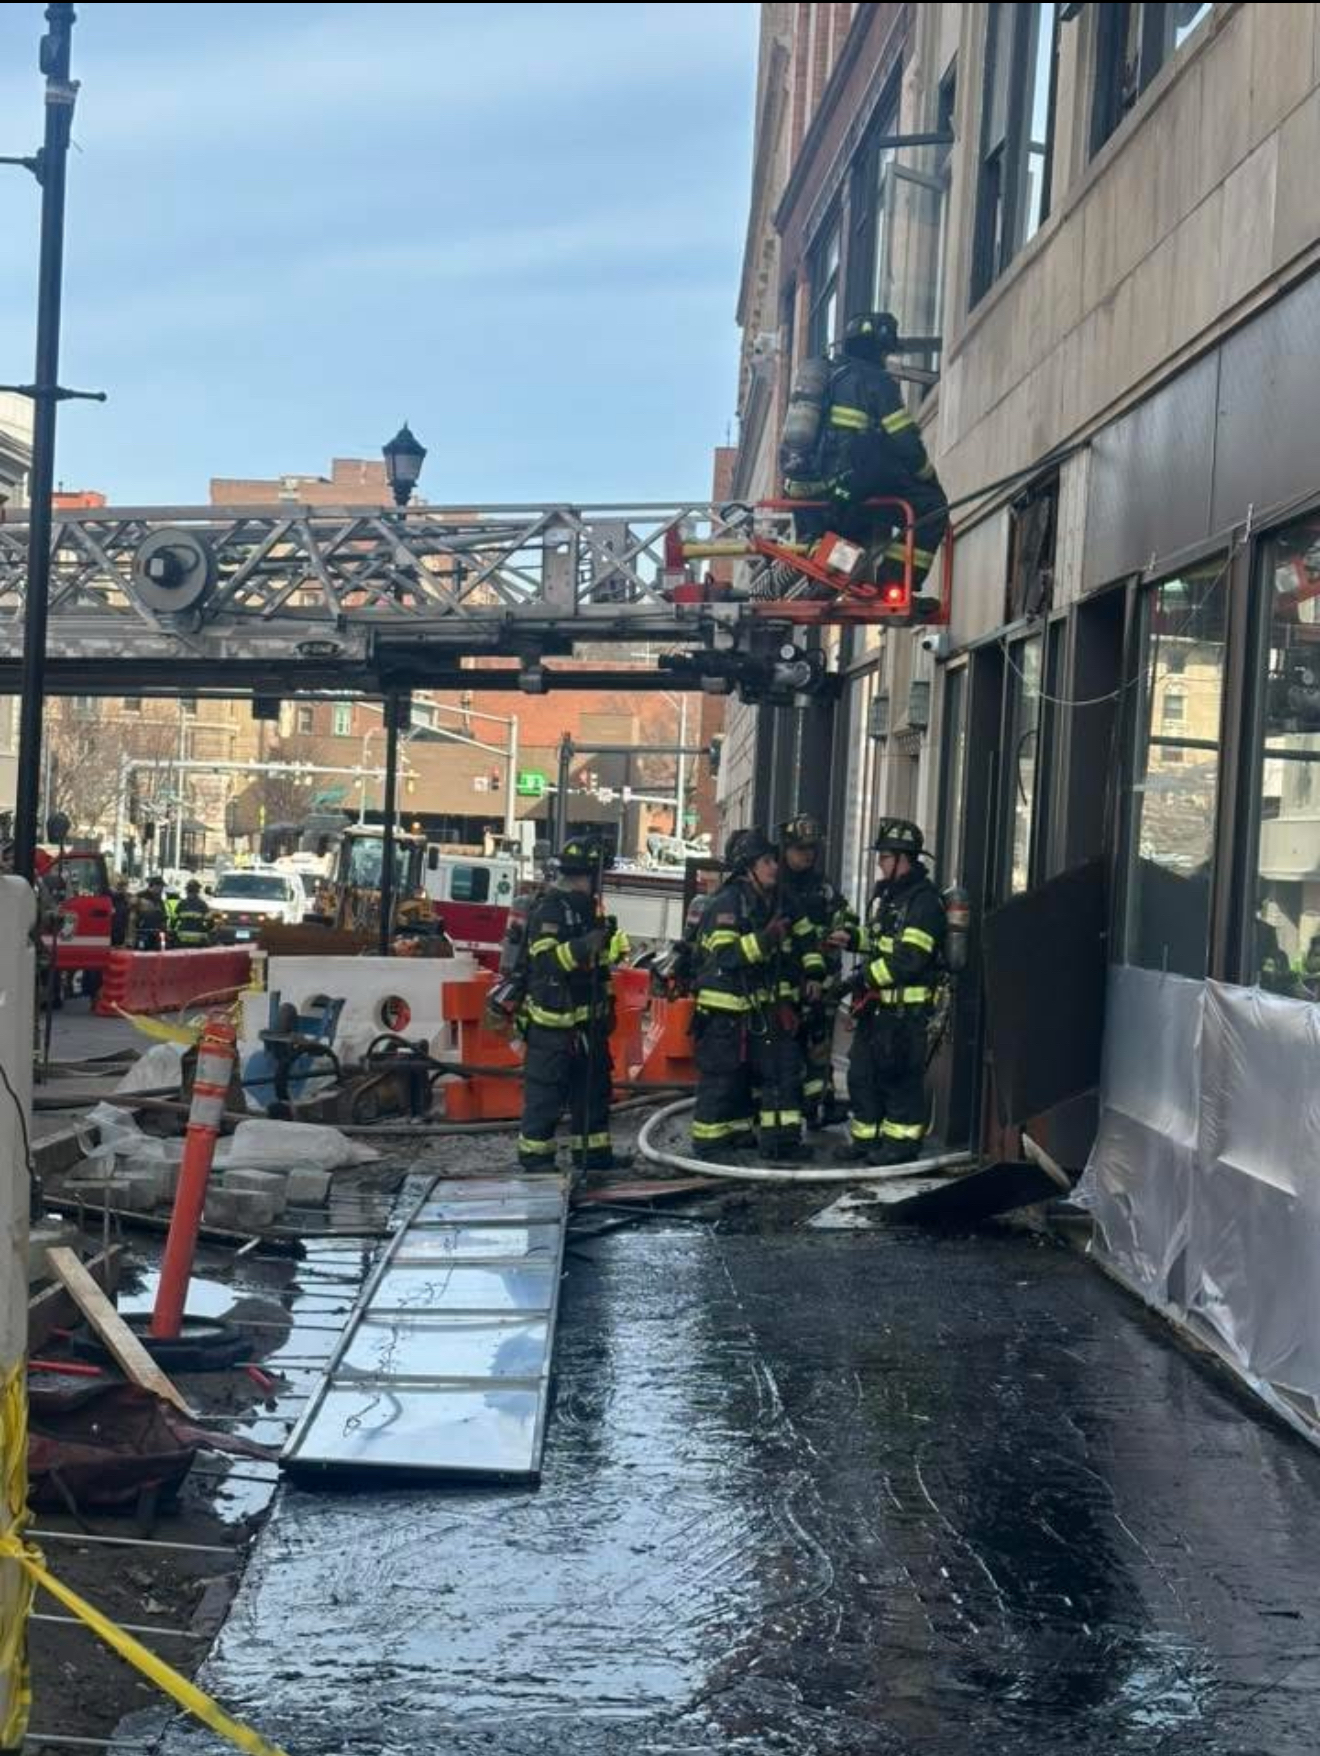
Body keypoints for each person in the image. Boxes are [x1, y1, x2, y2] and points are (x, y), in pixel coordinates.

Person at [780, 311, 948, 599]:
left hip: (803, 492)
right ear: (878, 349)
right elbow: (905, 441)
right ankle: (894, 583)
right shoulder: (876, 382)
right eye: (885, 352)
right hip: (846, 485)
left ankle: (830, 576)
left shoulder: (825, 379)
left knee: (845, 526)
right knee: (932, 509)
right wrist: (927, 477)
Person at [690, 828, 808, 1164]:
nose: (775, 867)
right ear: (748, 868)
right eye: (767, 861)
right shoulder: (728, 903)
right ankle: (709, 1145)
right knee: (721, 1078)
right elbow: (726, 955)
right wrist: (766, 938)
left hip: (757, 1007)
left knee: (772, 1072)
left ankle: (767, 1140)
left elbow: (786, 957)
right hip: (723, 1010)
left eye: (775, 860)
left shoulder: (769, 901)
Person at [831, 818, 945, 1166]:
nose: (879, 863)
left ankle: (901, 1146)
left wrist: (860, 980)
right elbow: (881, 941)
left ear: (902, 859)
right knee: (862, 1075)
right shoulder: (894, 899)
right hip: (878, 1011)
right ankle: (866, 1141)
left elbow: (909, 960)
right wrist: (853, 939)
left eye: (883, 857)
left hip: (905, 1014)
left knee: (899, 1081)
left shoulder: (924, 904)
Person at [517, 834, 630, 1175]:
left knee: (593, 1092)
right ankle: (536, 1159)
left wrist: (607, 1002)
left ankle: (593, 1156)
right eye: (599, 876)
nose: (601, 883)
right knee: (546, 1094)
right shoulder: (550, 909)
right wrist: (582, 947)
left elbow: (599, 969)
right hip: (554, 1026)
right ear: (585, 874)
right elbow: (546, 962)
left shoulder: (588, 911)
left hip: (589, 1024)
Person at [778, 813, 853, 1127]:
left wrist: (842, 931)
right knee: (784, 1048)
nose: (807, 854)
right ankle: (783, 1111)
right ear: (786, 849)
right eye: (800, 848)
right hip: (784, 981)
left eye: (811, 848)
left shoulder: (823, 887)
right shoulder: (774, 883)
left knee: (818, 1045)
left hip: (820, 979)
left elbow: (846, 915)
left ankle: (816, 1105)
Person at [130, 875, 170, 949]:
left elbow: (163, 916)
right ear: (154, 886)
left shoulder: (159, 900)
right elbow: (132, 917)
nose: (162, 889)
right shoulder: (140, 896)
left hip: (157, 934)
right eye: (161, 886)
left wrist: (164, 929)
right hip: (142, 934)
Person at [172, 878, 214, 948]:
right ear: (198, 891)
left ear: (187, 891)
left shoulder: (181, 904)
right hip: (198, 941)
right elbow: (210, 924)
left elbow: (173, 922)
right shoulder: (202, 905)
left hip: (182, 940)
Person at [109, 878, 131, 948]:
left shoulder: (125, 896)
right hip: (117, 916)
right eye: (124, 886)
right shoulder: (116, 894)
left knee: (120, 929)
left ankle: (118, 943)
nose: (125, 888)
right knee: (117, 928)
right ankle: (117, 943)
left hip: (121, 917)